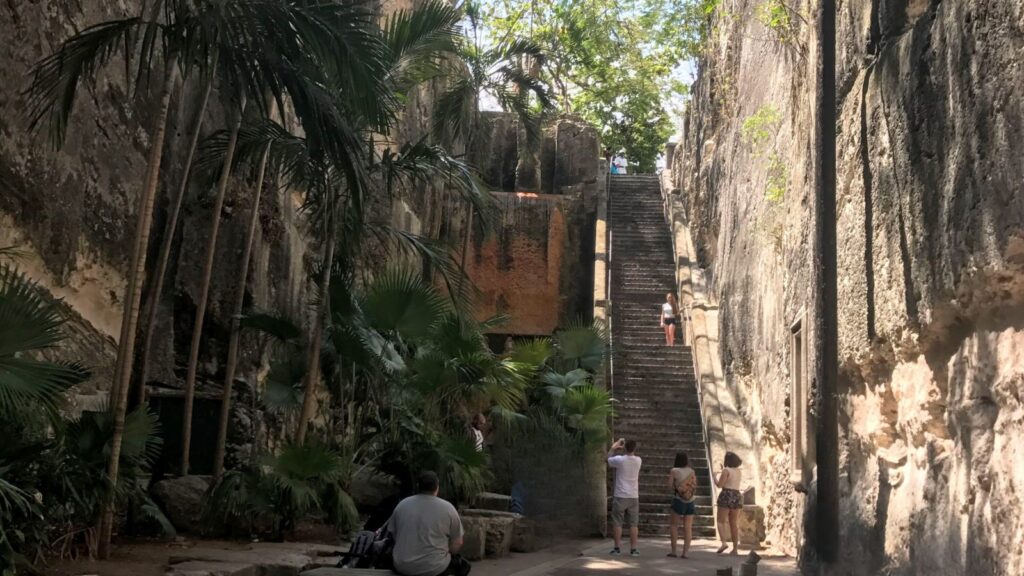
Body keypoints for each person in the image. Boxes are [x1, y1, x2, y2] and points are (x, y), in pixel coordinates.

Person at [387, 471, 470, 576]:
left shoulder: (402, 505)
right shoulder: (448, 508)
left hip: (402, 566)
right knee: (463, 566)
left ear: (418, 486)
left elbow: (394, 534)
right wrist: (447, 552)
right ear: (437, 487)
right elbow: (458, 543)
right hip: (434, 568)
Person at [607, 438, 642, 556]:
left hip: (620, 495)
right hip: (633, 496)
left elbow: (607, 459)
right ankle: (634, 549)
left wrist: (614, 447)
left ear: (625, 448)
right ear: (635, 448)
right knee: (633, 524)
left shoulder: (620, 460)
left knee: (617, 523)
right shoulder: (638, 460)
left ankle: (617, 549)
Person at [667, 452, 697, 558]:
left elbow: (670, 485)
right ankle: (685, 553)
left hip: (678, 500)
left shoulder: (674, 471)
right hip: (690, 501)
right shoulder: (692, 471)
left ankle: (674, 551)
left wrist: (678, 487)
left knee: (674, 526)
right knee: (688, 528)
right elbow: (694, 485)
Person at [714, 451, 744, 555]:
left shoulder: (726, 470)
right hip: (736, 495)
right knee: (733, 523)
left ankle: (723, 542)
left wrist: (714, 477)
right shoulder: (738, 471)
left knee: (720, 521)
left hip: (726, 494)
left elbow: (720, 485)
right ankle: (735, 548)